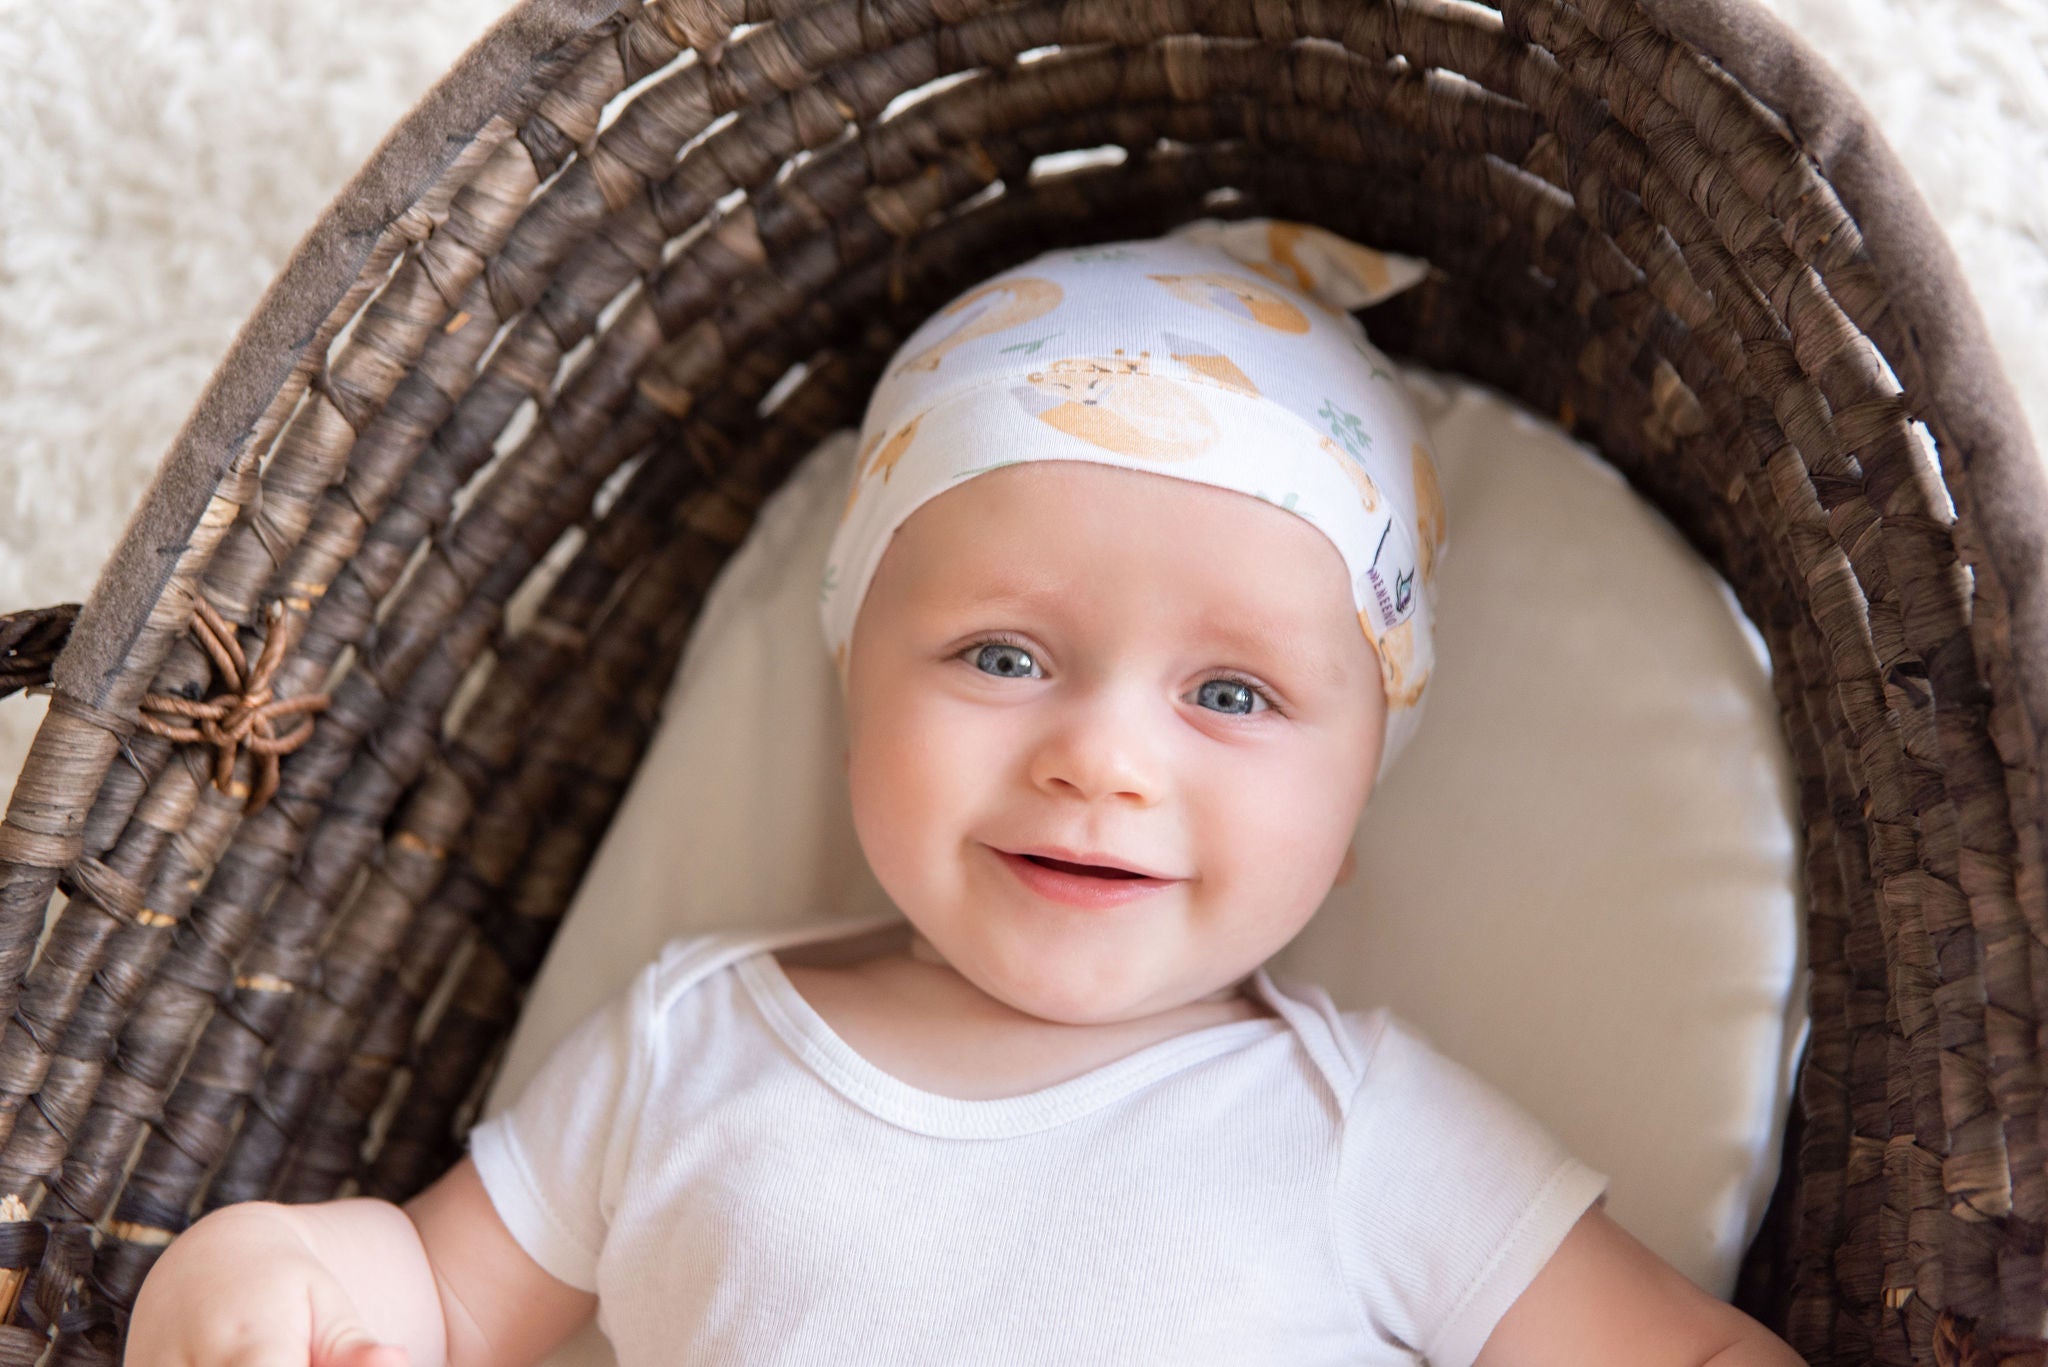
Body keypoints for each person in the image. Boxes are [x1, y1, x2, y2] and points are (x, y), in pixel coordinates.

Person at [125, 219, 1805, 1366]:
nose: (1102, 758)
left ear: (1363, 790)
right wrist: (259, 1278)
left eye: (1232, 696)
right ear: (855, 676)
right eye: (1003, 656)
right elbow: (427, 1287)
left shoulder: (1363, 1130)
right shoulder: (692, 1046)